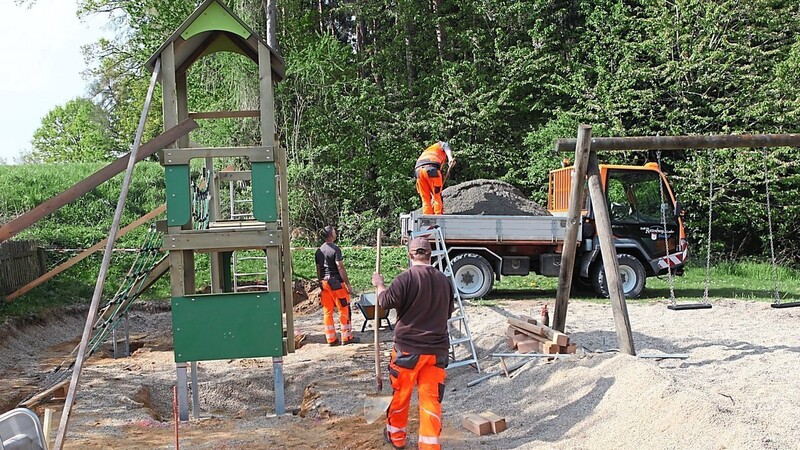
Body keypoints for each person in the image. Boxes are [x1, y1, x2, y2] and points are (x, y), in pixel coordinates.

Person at [371, 236, 454, 450]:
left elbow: (385, 302)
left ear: (410, 255)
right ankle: (429, 446)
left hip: (408, 351)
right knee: (431, 401)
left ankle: (397, 439)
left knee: (401, 395)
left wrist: (380, 284)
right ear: (430, 255)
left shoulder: (405, 278)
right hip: (436, 352)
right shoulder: (444, 281)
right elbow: (447, 313)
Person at [315, 226, 359, 346]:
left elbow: (318, 269)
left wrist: (320, 282)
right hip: (336, 283)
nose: (336, 232)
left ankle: (331, 339)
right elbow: (340, 266)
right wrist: (348, 284)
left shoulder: (319, 250)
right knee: (343, 309)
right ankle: (347, 337)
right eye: (334, 231)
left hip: (324, 283)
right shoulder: (335, 249)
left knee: (327, 311)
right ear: (331, 234)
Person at [415, 141, 455, 215]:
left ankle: (427, 218)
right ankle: (437, 217)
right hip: (431, 170)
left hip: (418, 172)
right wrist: (450, 158)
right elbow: (446, 147)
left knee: (425, 198)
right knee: (437, 196)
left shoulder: (429, 150)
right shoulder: (441, 144)